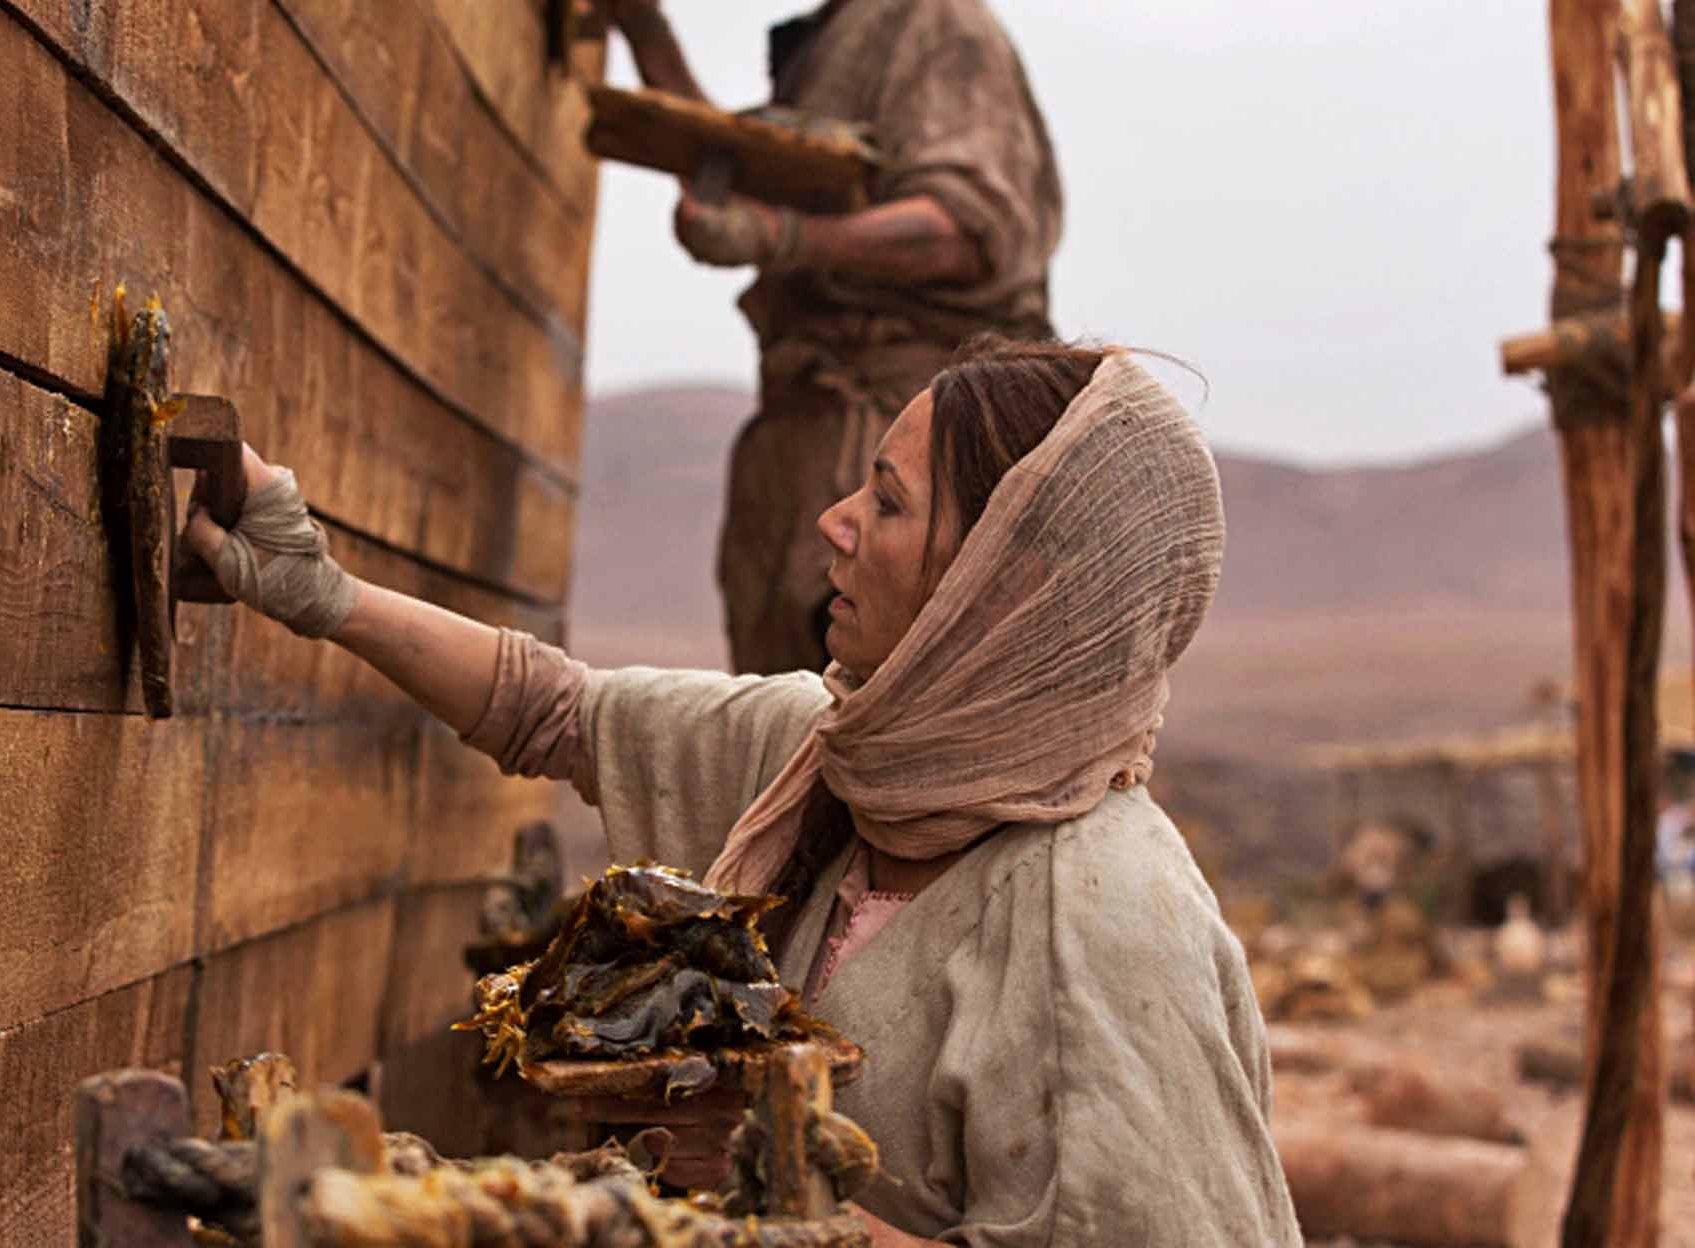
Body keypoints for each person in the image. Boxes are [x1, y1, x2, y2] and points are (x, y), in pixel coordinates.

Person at [183, 338, 1301, 1248]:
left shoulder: (1096, 920)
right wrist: (316, 589)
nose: (834, 523)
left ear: (999, 588)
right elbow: (554, 711)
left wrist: (778, 1189)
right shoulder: (842, 757)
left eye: (889, 501)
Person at [577, 0, 1064, 674]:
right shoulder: (846, 32)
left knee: (874, 731)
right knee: (791, 737)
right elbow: (750, 167)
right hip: (812, 447)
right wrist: (643, 23)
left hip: (903, 452)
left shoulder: (935, 13)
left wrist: (780, 239)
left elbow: (970, 226)